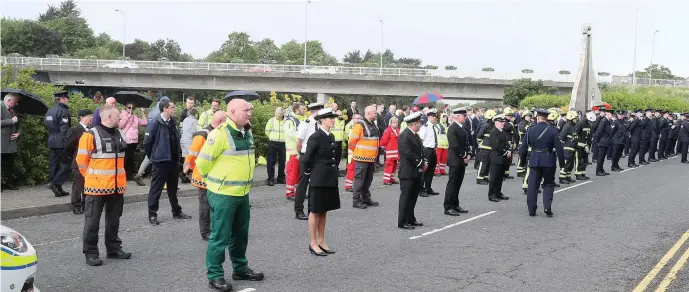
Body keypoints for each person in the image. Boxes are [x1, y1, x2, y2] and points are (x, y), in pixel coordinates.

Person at [196, 98, 264, 292]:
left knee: (240, 235)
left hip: (242, 194)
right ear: (232, 112)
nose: (249, 113)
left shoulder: (247, 132)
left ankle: (240, 268)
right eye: (246, 110)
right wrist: (216, 184)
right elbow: (202, 164)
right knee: (220, 236)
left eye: (250, 109)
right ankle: (215, 276)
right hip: (223, 195)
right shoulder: (220, 134)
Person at [76, 105, 131, 266]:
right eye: (117, 117)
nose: (120, 119)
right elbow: (81, 162)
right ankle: (91, 253)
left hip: (117, 187)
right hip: (96, 188)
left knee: (114, 221)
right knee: (92, 223)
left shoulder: (121, 133)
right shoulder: (90, 135)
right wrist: (92, 178)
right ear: (108, 118)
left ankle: (113, 249)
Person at [144, 99, 192, 225]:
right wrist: (154, 156)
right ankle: (152, 214)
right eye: (172, 107)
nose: (174, 109)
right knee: (156, 189)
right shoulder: (155, 123)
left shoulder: (172, 122)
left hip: (173, 160)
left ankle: (176, 211)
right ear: (165, 108)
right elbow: (147, 143)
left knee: (173, 188)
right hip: (160, 161)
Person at [302, 108, 341, 256]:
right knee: (315, 210)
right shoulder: (316, 137)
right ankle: (313, 243)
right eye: (330, 118)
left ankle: (321, 240)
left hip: (329, 178)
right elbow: (307, 159)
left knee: (324, 209)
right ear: (322, 120)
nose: (333, 120)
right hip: (318, 178)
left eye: (333, 117)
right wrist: (309, 174)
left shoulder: (330, 135)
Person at [184, 110, 226, 241]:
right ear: (220, 122)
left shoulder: (219, 133)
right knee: (205, 206)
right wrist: (187, 167)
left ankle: (214, 229)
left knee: (215, 205)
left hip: (215, 177)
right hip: (203, 177)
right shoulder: (202, 135)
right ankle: (205, 232)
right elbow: (193, 154)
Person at [520, 109, 565, 217]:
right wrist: (563, 164)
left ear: (538, 118)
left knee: (532, 186)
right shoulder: (553, 130)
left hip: (535, 159)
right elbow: (559, 148)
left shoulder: (530, 129)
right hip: (549, 159)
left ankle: (532, 210)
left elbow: (523, 148)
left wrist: (522, 162)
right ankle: (547, 207)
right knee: (548, 184)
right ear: (547, 118)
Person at [294, 102, 325, 220]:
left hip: (316, 157)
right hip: (306, 155)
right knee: (303, 183)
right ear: (315, 111)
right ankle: (299, 210)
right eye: (320, 111)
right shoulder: (306, 123)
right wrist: (301, 154)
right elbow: (299, 142)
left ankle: (313, 209)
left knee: (315, 183)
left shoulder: (318, 123)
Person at [397, 112, 426, 230]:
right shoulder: (405, 135)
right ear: (414, 123)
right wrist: (420, 163)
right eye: (420, 122)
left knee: (413, 197)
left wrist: (424, 161)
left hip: (415, 171)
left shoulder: (415, 134)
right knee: (406, 197)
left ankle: (411, 218)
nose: (421, 125)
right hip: (407, 172)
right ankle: (402, 221)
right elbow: (407, 153)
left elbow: (420, 150)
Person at [348, 105, 381, 209]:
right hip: (361, 158)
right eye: (375, 113)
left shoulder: (373, 124)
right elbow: (352, 141)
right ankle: (356, 201)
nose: (376, 114)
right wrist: (356, 153)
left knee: (368, 180)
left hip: (371, 158)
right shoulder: (359, 125)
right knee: (359, 179)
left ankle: (366, 198)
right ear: (368, 113)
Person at [443, 108, 472, 216]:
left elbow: (466, 143)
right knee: (452, 184)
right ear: (457, 116)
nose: (465, 117)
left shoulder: (462, 128)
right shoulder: (452, 128)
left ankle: (455, 204)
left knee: (458, 184)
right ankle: (448, 206)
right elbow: (454, 144)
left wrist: (469, 153)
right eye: (463, 116)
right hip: (455, 159)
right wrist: (464, 155)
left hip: (461, 160)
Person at [64, 110, 93, 214]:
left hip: (89, 163)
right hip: (78, 162)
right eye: (89, 116)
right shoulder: (75, 130)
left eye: (91, 116)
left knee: (87, 185)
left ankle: (86, 204)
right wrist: (74, 157)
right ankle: (76, 205)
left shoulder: (92, 130)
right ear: (81, 118)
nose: (91, 118)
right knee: (78, 185)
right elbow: (68, 146)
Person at [45, 91, 71, 197]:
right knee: (68, 163)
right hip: (61, 140)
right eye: (66, 98)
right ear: (62, 99)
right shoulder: (63, 111)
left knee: (54, 165)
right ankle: (55, 183)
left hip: (52, 139)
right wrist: (68, 142)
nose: (68, 100)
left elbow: (48, 125)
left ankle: (57, 189)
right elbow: (64, 129)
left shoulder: (49, 110)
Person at [119, 102, 148, 179]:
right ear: (125, 107)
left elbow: (145, 123)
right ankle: (123, 175)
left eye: (133, 107)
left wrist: (142, 112)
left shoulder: (135, 116)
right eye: (129, 107)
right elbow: (120, 126)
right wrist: (127, 117)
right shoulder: (122, 115)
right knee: (125, 158)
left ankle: (129, 174)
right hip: (126, 139)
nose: (131, 109)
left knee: (131, 158)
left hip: (134, 140)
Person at [486, 115, 510, 202]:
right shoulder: (493, 132)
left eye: (503, 122)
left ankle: (498, 193)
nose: (503, 124)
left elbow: (506, 143)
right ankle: (492, 194)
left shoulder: (502, 131)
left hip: (502, 158)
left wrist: (508, 150)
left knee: (500, 177)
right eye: (501, 122)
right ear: (496, 123)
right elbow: (496, 145)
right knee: (494, 177)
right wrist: (505, 152)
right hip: (496, 157)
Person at [285, 103, 304, 200]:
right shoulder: (290, 120)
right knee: (292, 173)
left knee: (299, 173)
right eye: (302, 108)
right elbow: (290, 134)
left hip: (299, 151)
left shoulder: (301, 119)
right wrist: (302, 137)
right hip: (292, 152)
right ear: (297, 109)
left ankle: (297, 192)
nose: (304, 110)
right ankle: (289, 193)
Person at [418, 109, 440, 197]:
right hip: (426, 150)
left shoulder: (434, 127)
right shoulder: (425, 127)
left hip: (433, 150)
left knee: (431, 170)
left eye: (436, 116)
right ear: (429, 117)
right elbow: (421, 140)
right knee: (424, 171)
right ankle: (421, 189)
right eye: (434, 116)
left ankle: (428, 188)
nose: (436, 118)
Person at [1, 93, 20, 190]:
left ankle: (9, 183)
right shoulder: (0, 106)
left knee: (9, 164)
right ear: (8, 100)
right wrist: (11, 121)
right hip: (2, 142)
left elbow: (19, 124)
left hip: (11, 142)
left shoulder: (13, 110)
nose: (16, 104)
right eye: (15, 102)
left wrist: (18, 133)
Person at [264, 107, 286, 186]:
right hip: (272, 143)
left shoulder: (286, 121)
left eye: (279, 113)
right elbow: (267, 131)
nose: (277, 115)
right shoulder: (271, 120)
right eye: (276, 113)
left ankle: (281, 178)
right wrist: (271, 137)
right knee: (271, 161)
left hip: (283, 143)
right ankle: (270, 179)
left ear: (282, 114)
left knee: (282, 162)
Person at [475, 110, 496, 184]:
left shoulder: (493, 126)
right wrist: (480, 144)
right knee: (483, 163)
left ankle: (485, 177)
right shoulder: (485, 125)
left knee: (488, 164)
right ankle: (479, 178)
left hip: (491, 148)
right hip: (484, 148)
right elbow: (479, 136)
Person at [558, 111, 577, 184]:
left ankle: (568, 176)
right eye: (575, 118)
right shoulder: (567, 126)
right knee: (566, 163)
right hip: (567, 148)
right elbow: (562, 137)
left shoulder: (572, 126)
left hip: (572, 148)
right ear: (571, 118)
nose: (576, 119)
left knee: (571, 164)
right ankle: (562, 178)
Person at [343, 113, 361, 192]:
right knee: (351, 168)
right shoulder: (349, 126)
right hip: (351, 150)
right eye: (357, 118)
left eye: (359, 118)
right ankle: (348, 185)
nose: (358, 120)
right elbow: (349, 138)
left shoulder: (360, 126)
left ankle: (355, 185)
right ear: (353, 119)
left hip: (359, 149)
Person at [380, 117, 400, 185]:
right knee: (389, 165)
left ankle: (391, 178)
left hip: (396, 152)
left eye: (397, 122)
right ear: (390, 123)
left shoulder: (397, 130)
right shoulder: (388, 130)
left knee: (394, 166)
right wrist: (384, 147)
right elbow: (384, 141)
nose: (396, 124)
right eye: (394, 122)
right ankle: (386, 180)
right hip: (390, 151)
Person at [594, 108, 613, 176]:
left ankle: (601, 169)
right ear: (607, 114)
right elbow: (599, 131)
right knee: (600, 157)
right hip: (602, 141)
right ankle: (598, 171)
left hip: (606, 141)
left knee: (603, 157)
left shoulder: (608, 121)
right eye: (611, 114)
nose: (612, 115)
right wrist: (598, 141)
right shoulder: (604, 121)